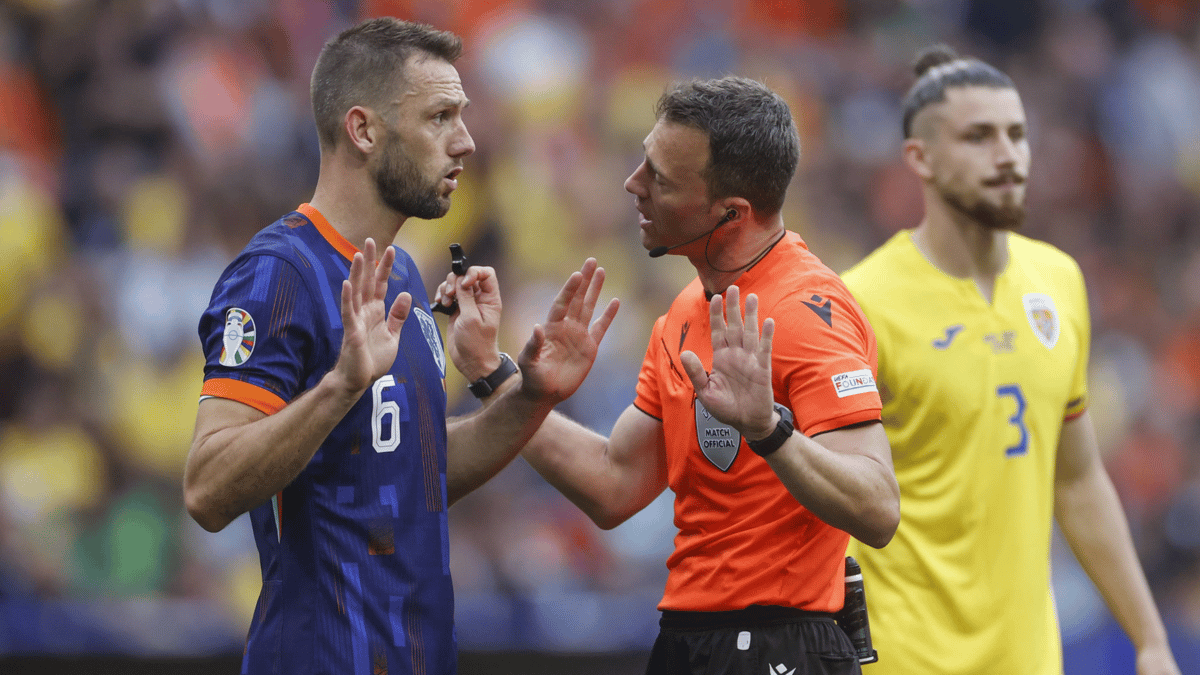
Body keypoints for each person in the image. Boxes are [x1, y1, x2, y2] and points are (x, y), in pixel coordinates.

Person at [183, 18, 618, 675]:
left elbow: (416, 473)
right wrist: (338, 387)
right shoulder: (277, 274)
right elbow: (207, 487)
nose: (466, 142)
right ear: (363, 130)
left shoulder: (406, 276)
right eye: (440, 116)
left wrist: (530, 393)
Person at [448, 76, 900, 675]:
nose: (633, 185)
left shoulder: (807, 310)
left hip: (778, 643)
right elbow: (615, 485)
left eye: (660, 178)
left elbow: (878, 508)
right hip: (691, 639)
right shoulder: (686, 311)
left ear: (729, 213)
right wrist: (503, 380)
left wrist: (768, 430)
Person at [841, 45, 1181, 675]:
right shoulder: (861, 303)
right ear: (922, 158)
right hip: (905, 660)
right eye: (979, 136)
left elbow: (1077, 481)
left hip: (1028, 660)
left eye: (1017, 134)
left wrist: (1149, 637)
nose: (1008, 154)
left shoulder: (1058, 281)